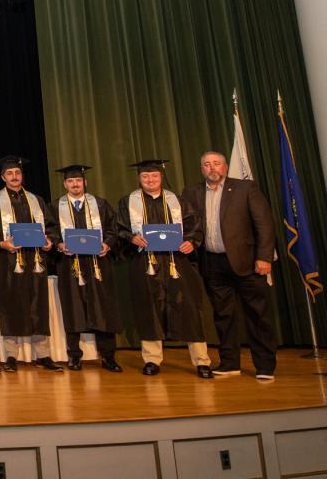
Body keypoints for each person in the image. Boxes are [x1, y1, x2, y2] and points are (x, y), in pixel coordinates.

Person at [182, 151, 278, 380]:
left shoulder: (246, 188)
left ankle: (265, 366)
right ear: (202, 169)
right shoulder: (191, 193)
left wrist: (264, 257)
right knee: (223, 315)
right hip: (212, 263)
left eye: (216, 163)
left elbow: (264, 224)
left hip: (248, 262)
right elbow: (188, 225)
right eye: (207, 164)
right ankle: (229, 363)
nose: (212, 168)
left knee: (258, 315)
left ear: (224, 167)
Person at [117, 159, 212, 379]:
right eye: (145, 176)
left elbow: (195, 228)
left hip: (176, 263)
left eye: (154, 176)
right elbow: (120, 229)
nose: (150, 180)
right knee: (149, 308)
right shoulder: (128, 202)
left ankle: (201, 360)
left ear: (161, 177)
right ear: (139, 178)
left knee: (189, 308)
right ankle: (152, 359)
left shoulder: (178, 200)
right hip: (146, 263)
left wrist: (191, 242)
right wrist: (131, 238)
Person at [0, 156, 60, 372]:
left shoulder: (36, 200)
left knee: (38, 304)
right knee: (10, 305)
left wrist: (50, 242)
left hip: (35, 261)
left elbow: (51, 227)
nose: (14, 177)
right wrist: (1, 243)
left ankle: (43, 354)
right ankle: (11, 355)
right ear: (3, 177)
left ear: (22, 175)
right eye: (10, 173)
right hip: (8, 261)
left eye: (17, 173)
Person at [45, 164, 122, 372]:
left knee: (103, 307)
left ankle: (108, 357)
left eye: (78, 180)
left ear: (85, 182)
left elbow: (113, 229)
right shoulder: (55, 207)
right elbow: (50, 231)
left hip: (98, 264)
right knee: (73, 307)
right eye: (70, 181)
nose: (75, 184)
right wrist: (59, 244)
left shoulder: (100, 204)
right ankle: (74, 356)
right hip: (70, 264)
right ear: (65, 184)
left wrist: (107, 244)